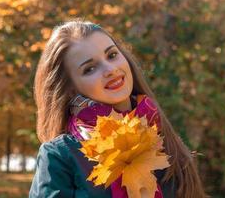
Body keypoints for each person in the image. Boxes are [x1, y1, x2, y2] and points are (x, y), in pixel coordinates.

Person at [29, 19, 206, 198]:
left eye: (112, 55)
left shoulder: (160, 135)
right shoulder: (61, 155)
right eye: (90, 69)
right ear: (71, 88)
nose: (110, 69)